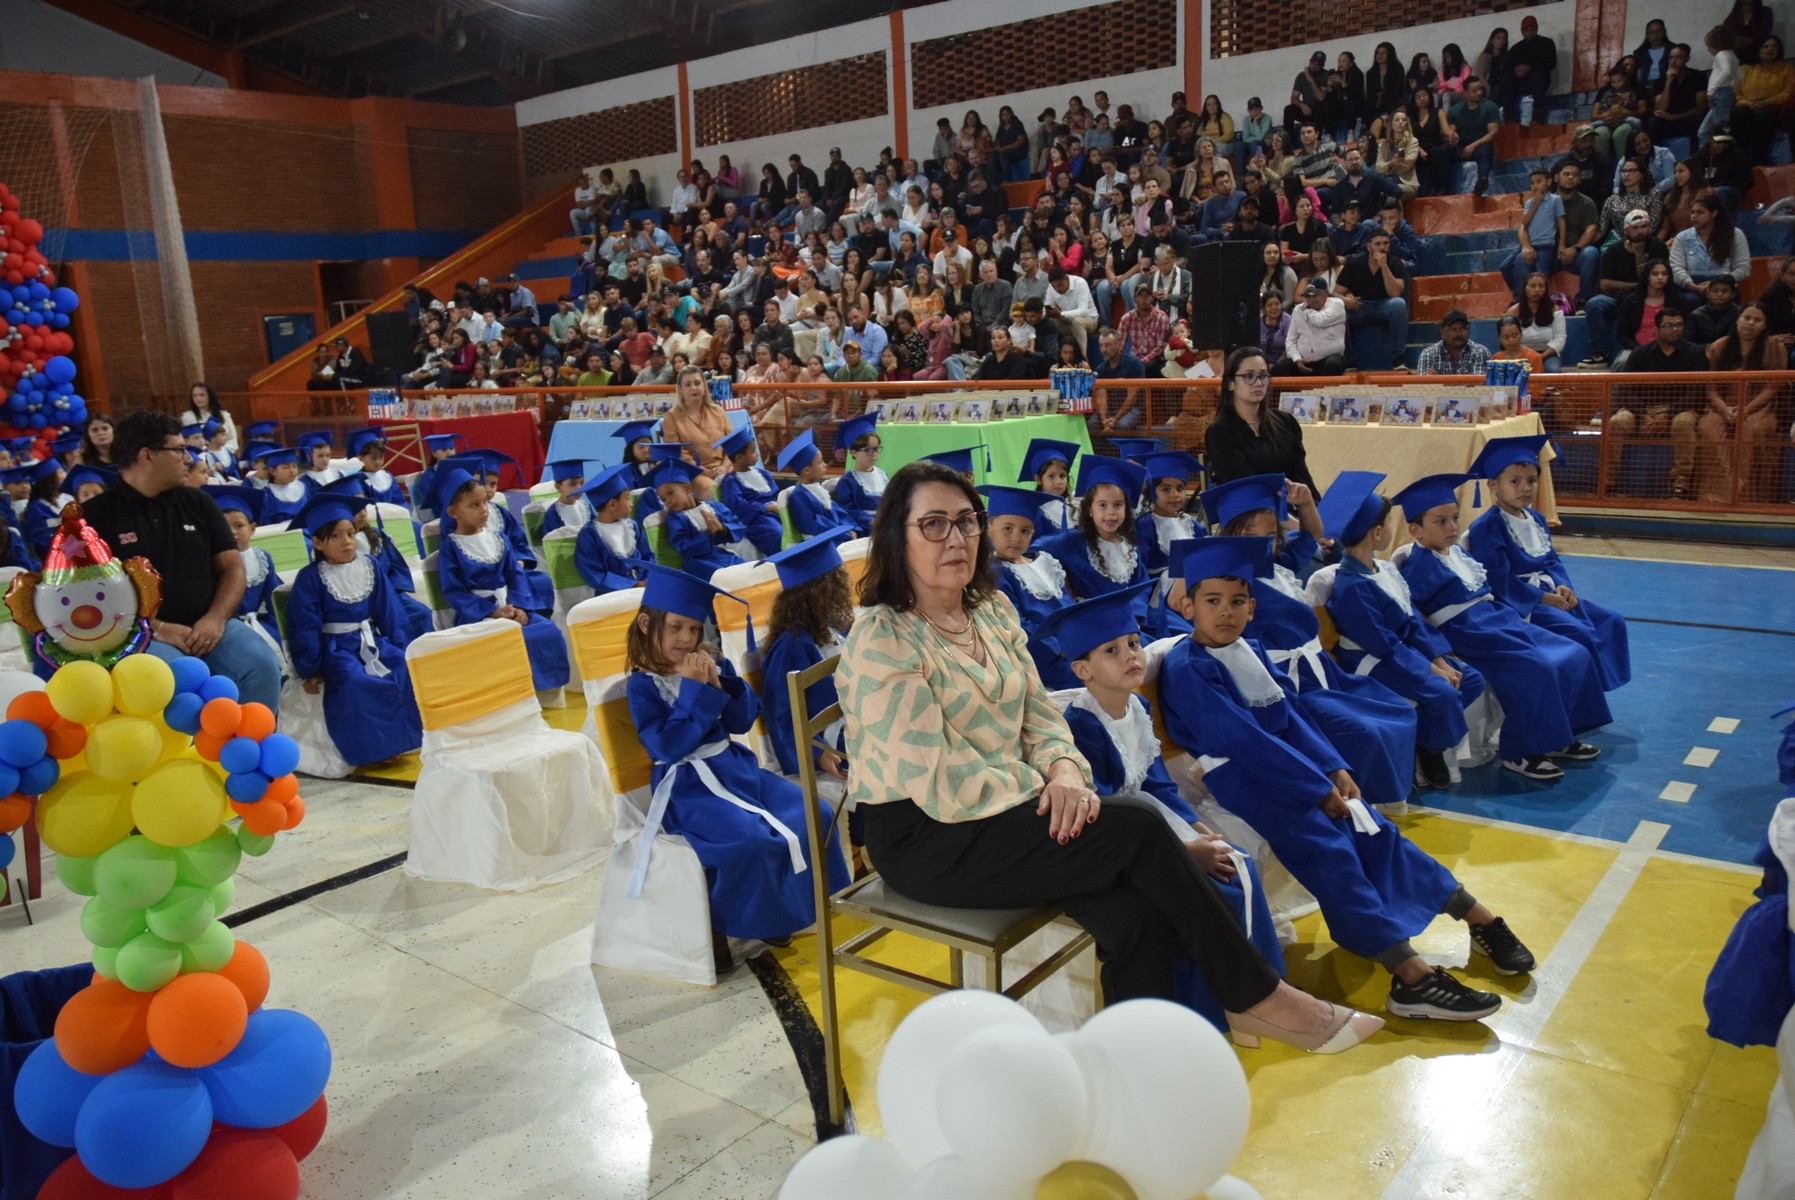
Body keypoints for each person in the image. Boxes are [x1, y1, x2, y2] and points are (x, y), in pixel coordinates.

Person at [836, 460, 1376, 1048]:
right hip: (929, 834)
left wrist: (1066, 768)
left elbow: (1038, 714)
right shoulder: (881, 638)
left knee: (1133, 912)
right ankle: (1257, 995)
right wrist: (1050, 790)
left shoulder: (989, 610)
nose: (957, 538)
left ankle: (1133, 1061)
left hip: (1006, 810)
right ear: (897, 536)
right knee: (1137, 826)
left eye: (967, 521)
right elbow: (939, 778)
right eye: (933, 524)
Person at [1161, 536, 1533, 1020]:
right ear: (1188, 605)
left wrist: (1334, 767)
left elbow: (1290, 714)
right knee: (1330, 850)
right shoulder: (1189, 667)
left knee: (1374, 829)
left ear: (1252, 608)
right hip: (1246, 780)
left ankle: (1476, 916)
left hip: (1289, 767)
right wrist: (1317, 789)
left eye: (1237, 601)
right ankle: (1410, 977)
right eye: (1212, 601)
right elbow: (1243, 741)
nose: (1225, 612)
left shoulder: (1247, 648)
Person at [1039, 584, 1288, 1032]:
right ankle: (1202, 1012)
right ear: (1083, 670)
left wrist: (1196, 827)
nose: (1131, 655)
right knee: (1212, 888)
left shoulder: (1136, 704)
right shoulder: (1082, 726)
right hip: (1120, 835)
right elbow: (1108, 809)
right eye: (1112, 650)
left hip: (1152, 814)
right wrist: (1184, 851)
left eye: (1133, 643)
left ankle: (1253, 995)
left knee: (1239, 863)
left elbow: (1156, 781)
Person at [629, 564, 846, 971]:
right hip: (689, 788)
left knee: (815, 813)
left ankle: (804, 905)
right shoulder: (644, 684)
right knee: (751, 842)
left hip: (736, 769)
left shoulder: (708, 662)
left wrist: (721, 685)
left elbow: (743, 720)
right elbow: (668, 746)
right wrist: (694, 692)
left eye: (694, 629)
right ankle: (748, 923)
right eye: (676, 627)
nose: (687, 639)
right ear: (646, 623)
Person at [1395, 473, 1610, 781]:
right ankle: (1522, 751)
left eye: (1454, 518)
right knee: (1535, 668)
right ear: (1415, 530)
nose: (1452, 527)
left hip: (1498, 619)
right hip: (1470, 633)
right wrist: (1436, 654)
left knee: (1574, 652)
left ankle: (1561, 735)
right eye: (1440, 522)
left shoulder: (1458, 552)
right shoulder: (1416, 566)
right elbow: (1414, 617)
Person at [77, 411, 282, 710]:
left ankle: (253, 751)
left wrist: (215, 619)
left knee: (261, 665)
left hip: (209, 626)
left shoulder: (197, 502)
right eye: (178, 450)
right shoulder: (94, 517)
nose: (187, 459)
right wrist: (155, 627)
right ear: (147, 455)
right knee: (181, 682)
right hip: (139, 635)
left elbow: (231, 568)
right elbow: (87, 597)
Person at [1319, 472, 1487, 789]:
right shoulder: (1353, 587)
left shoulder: (1382, 569)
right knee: (1442, 691)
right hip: (1373, 659)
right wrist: (1429, 670)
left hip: (1401, 650)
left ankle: (1426, 735)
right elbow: (1383, 644)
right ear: (1378, 532)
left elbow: (1411, 621)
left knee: (1471, 677)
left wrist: (1439, 660)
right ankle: (1432, 748)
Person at [1465, 435, 1631, 692]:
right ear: (1493, 486)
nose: (1525, 488)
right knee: (1580, 633)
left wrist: (1564, 587)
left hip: (1550, 594)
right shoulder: (1488, 527)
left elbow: (1552, 561)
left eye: (1532, 481)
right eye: (1515, 482)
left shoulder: (1537, 519)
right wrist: (1543, 598)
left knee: (1611, 621)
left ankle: (1596, 689)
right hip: (1520, 602)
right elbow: (1500, 581)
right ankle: (1580, 702)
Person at [285, 494, 422, 767]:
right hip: (337, 648)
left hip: (371, 641)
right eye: (336, 536)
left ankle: (404, 740)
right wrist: (311, 670)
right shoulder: (311, 577)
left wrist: (402, 646)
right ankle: (374, 748)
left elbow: (389, 611)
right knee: (354, 681)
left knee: (400, 669)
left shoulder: (369, 565)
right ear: (318, 542)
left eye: (350, 533)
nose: (346, 541)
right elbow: (305, 626)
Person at [436, 467, 569, 694]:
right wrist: (492, 612)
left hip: (511, 605)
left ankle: (544, 694)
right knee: (501, 640)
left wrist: (519, 608)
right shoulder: (450, 548)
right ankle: (514, 694)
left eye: (484, 503)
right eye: (474, 505)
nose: (484, 510)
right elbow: (455, 593)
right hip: (477, 615)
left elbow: (515, 577)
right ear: (453, 512)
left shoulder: (499, 538)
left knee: (546, 630)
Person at [1699, 303, 1788, 504]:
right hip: (1722, 405)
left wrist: (1746, 410)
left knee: (1753, 429)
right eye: (1747, 318)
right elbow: (1711, 388)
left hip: (1759, 407)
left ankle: (1748, 497)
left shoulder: (1774, 346)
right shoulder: (1719, 346)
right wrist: (1724, 409)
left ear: (1765, 325)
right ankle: (1717, 496)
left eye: (1757, 320)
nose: (1750, 323)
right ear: (1738, 319)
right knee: (1708, 428)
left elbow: (1773, 387)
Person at [1335, 228, 1410, 371]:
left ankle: (1398, 358)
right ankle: (1350, 360)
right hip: (1360, 306)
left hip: (1384, 305)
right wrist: (1346, 300)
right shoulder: (1354, 264)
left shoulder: (1395, 263)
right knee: (1338, 309)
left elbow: (1395, 293)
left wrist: (1384, 266)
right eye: (1378, 244)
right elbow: (1336, 293)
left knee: (1399, 304)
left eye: (1386, 243)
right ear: (1368, 246)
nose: (1382, 248)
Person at [573, 465, 653, 595]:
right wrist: (632, 585)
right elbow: (594, 574)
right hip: (610, 594)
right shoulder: (589, 535)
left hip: (642, 588)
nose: (631, 503)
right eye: (627, 498)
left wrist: (645, 581)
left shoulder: (632, 527)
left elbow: (648, 558)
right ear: (612, 504)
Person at [1670, 192, 1750, 296]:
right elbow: (1676, 268)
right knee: (1689, 300)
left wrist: (1719, 283)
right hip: (1692, 285)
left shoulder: (1735, 235)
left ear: (1714, 213)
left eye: (1700, 212)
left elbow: (1743, 268)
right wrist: (1691, 286)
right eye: (1692, 212)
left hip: (1723, 284)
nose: (1694, 216)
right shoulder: (1682, 237)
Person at [1732, 36, 1795, 165]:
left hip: (1773, 106)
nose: (1770, 49)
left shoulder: (1787, 69)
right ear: (1758, 50)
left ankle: (1758, 160)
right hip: (1748, 104)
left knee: (1765, 115)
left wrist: (1767, 102)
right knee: (1740, 114)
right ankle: (1740, 160)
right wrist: (1748, 103)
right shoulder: (1745, 69)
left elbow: (1789, 92)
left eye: (1774, 46)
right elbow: (1736, 93)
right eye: (1766, 46)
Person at [1276, 278, 1348, 376]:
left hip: (1329, 359)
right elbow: (1290, 340)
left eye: (1316, 295)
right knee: (1280, 368)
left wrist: (1307, 310)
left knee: (1332, 364)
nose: (1311, 299)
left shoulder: (1336, 304)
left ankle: (1327, 392)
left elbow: (1320, 321)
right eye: (1309, 296)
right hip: (1305, 362)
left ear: (1326, 293)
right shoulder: (1298, 310)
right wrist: (1297, 359)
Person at [828, 413, 885, 537]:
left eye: (877, 449)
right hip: (866, 527)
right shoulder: (848, 481)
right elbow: (847, 510)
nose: (874, 454)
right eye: (868, 450)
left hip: (885, 522)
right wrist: (870, 520)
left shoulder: (882, 475)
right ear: (854, 453)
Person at [1447, 76, 1502, 195]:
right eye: (1474, 91)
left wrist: (1472, 146)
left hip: (1480, 144)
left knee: (1485, 151)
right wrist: (1452, 138)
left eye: (1480, 89)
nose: (1479, 93)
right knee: (1442, 151)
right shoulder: (1455, 110)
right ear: (1465, 94)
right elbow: (1451, 131)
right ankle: (1441, 187)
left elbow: (1493, 133)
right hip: (1461, 145)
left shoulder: (1490, 107)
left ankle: (1482, 181)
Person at [1505, 273, 1566, 371]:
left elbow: (1560, 339)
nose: (1537, 290)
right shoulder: (1513, 311)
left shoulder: (1555, 310)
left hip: (1547, 355)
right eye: (1533, 286)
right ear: (1525, 288)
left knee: (1553, 370)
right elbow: (1507, 338)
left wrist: (1541, 356)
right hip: (1520, 354)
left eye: (1541, 286)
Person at [1417, 309, 1492, 375]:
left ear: (1468, 330)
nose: (1459, 333)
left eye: (1462, 328)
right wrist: (1464, 381)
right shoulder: (1429, 354)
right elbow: (1424, 387)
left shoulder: (1481, 352)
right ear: (1442, 332)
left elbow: (1479, 385)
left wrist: (1439, 380)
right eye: (1453, 329)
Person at [180, 382, 238, 454]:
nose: (198, 398)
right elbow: (185, 441)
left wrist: (219, 451)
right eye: (195, 396)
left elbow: (232, 439)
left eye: (202, 395)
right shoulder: (187, 417)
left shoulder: (223, 415)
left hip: (224, 454)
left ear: (209, 396)